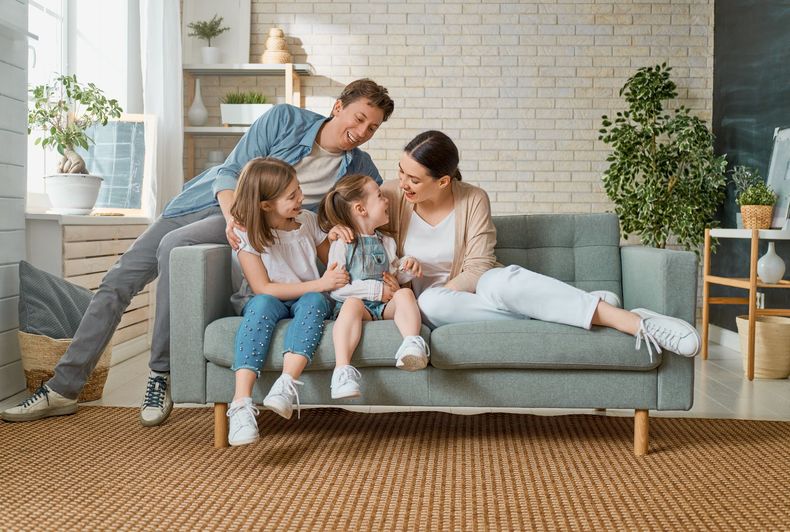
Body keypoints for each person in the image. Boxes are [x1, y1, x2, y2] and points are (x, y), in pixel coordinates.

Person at [1, 79, 395, 426]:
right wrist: (236, 220)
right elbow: (230, 172)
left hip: (272, 229)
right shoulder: (285, 120)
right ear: (338, 107)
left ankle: (160, 375)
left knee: (175, 248)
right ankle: (62, 388)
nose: (361, 131)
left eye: (372, 128)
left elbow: (375, 207)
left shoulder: (358, 166)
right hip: (215, 206)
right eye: (358, 118)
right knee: (121, 278)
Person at [372, 130, 700, 359]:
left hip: (474, 293)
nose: (403, 183)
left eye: (413, 179)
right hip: (436, 307)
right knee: (432, 302)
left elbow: (478, 266)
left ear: (443, 181)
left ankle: (638, 323)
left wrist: (450, 288)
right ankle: (583, 307)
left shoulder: (472, 198)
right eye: (401, 172)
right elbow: (353, 218)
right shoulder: (390, 196)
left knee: (500, 279)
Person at [225, 158, 348, 447]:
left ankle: (286, 385)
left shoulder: (306, 221)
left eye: (299, 190)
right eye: (291, 196)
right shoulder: (245, 234)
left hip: (306, 298)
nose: (301, 199)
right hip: (268, 299)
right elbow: (262, 287)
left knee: (316, 300)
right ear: (266, 205)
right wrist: (320, 283)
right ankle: (241, 403)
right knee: (263, 304)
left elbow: (333, 261)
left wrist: (336, 238)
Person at [316, 174, 427, 401]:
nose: (387, 201)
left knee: (405, 293)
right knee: (352, 304)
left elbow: (394, 274)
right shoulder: (342, 245)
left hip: (384, 307)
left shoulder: (387, 242)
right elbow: (336, 289)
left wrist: (408, 267)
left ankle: (411, 344)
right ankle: (343, 371)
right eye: (380, 196)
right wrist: (374, 291)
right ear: (361, 209)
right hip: (359, 308)